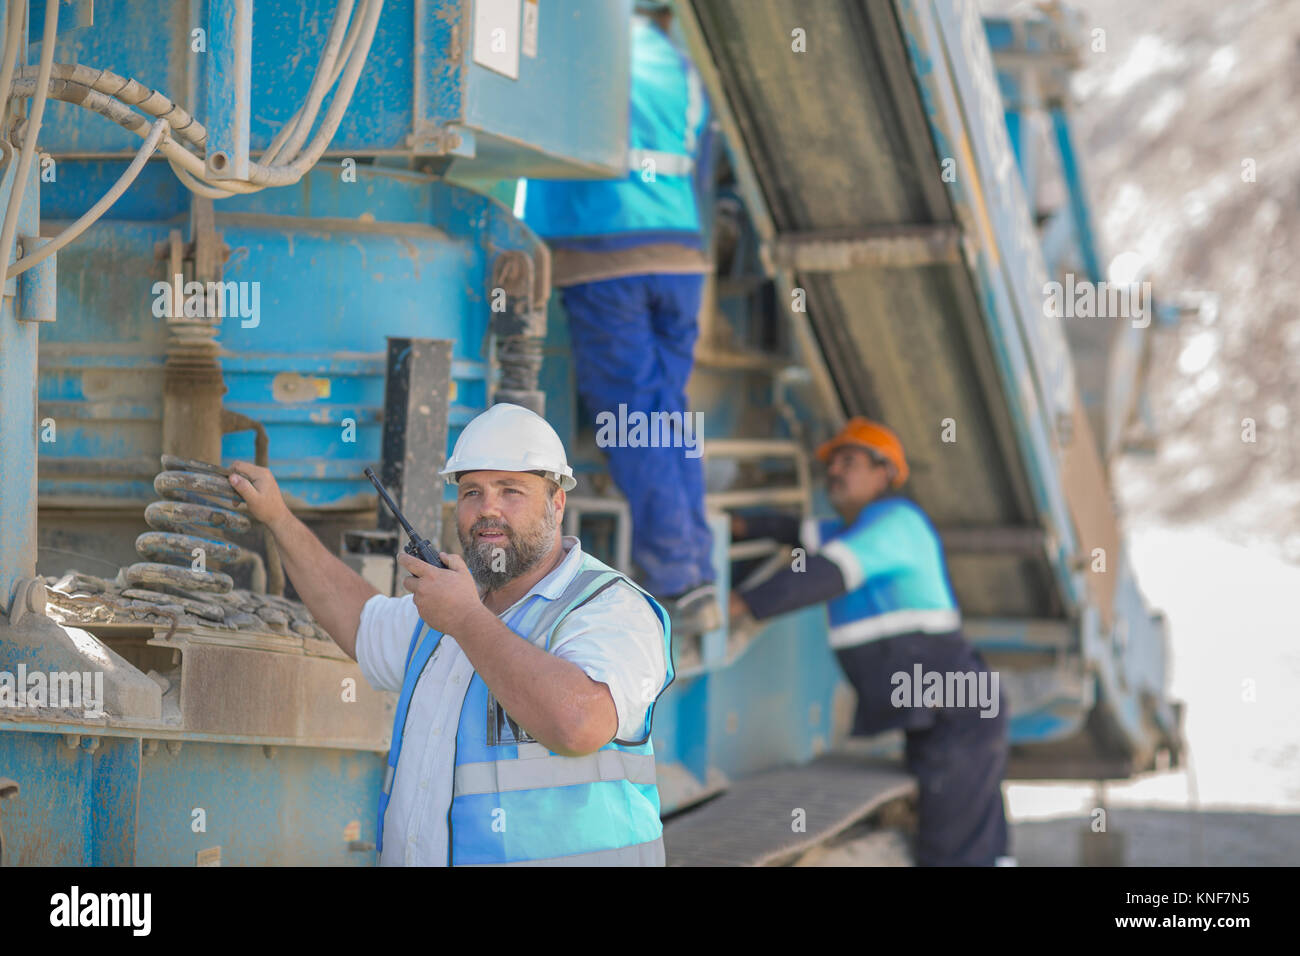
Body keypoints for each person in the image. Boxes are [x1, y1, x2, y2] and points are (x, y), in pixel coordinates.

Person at [228, 402, 673, 866]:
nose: (488, 511)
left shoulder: (609, 608)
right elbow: (360, 621)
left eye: (511, 490)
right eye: (472, 492)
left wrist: (464, 619)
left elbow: (579, 725)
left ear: (556, 502)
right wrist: (279, 519)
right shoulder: (448, 610)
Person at [728, 418, 1010, 866]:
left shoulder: (896, 522)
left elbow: (825, 572)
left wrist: (742, 603)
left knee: (954, 847)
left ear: (885, 473)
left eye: (850, 461)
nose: (835, 471)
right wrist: (740, 525)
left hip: (959, 713)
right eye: (832, 463)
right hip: (944, 714)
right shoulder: (850, 530)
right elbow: (791, 530)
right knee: (971, 834)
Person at [521, 0, 719, 636]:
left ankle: (677, 578)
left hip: (605, 252)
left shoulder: (571, 40)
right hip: (679, 257)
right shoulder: (680, 63)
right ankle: (695, 567)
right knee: (663, 413)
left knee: (635, 419)